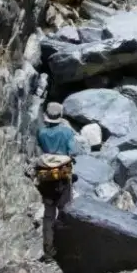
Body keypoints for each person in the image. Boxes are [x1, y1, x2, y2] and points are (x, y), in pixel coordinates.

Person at [35, 103, 77, 260]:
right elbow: (74, 151)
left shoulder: (41, 132)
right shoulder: (66, 132)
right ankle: (66, 249)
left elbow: (40, 147)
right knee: (65, 211)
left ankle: (48, 252)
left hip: (46, 176)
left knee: (48, 215)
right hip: (62, 175)